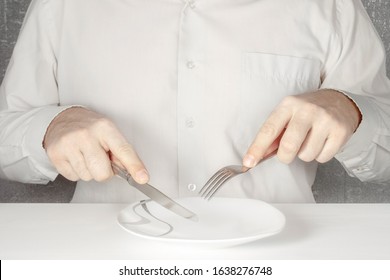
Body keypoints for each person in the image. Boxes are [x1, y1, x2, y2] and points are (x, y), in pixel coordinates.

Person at [0, 0, 389, 203]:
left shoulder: (328, 6)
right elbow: (6, 140)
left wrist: (352, 111)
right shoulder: (62, 6)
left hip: (279, 261)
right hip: (103, 261)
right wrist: (51, 127)